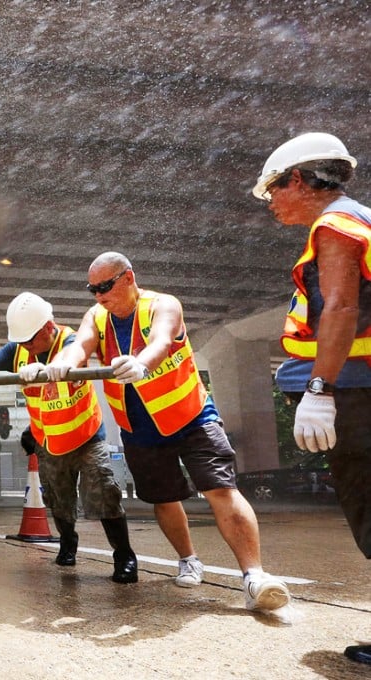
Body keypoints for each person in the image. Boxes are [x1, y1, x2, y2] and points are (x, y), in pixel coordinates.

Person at [45, 252, 291, 615]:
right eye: (92, 289)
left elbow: (161, 342)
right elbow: (79, 346)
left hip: (192, 417)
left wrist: (140, 363)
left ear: (128, 278)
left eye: (104, 286)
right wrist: (58, 367)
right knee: (165, 498)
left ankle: (254, 576)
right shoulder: (97, 317)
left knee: (221, 489)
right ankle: (188, 560)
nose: (98, 296)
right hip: (139, 428)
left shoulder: (162, 305)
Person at [251, 132, 370, 664]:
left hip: (359, 392)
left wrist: (319, 388)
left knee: (369, 506)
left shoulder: (336, 226)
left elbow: (341, 309)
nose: (272, 201)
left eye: (273, 189)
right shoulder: (362, 218)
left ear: (298, 179)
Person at [0, 292, 137, 583]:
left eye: (31, 340)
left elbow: (75, 354)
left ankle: (124, 557)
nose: (26, 347)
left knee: (104, 493)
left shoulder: (70, 341)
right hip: (49, 442)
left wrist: (49, 368)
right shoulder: (19, 348)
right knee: (58, 499)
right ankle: (68, 543)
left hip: (86, 437)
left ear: (49, 326)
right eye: (22, 342)